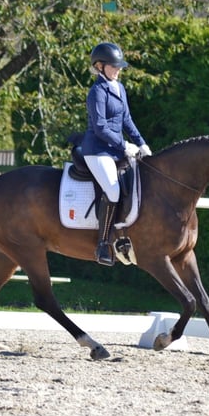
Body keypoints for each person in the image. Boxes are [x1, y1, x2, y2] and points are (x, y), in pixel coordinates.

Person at [81, 42, 151, 266]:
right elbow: (100, 128)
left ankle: (125, 236)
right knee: (113, 191)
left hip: (117, 148)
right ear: (100, 66)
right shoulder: (96, 92)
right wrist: (124, 146)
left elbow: (127, 120)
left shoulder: (119, 88)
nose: (118, 69)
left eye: (119, 66)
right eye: (114, 66)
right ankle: (103, 244)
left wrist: (141, 143)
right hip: (98, 150)